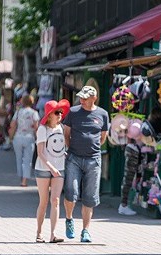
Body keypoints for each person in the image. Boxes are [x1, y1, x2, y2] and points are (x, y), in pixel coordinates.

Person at [62, 85, 110, 243]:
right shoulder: (74, 112)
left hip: (93, 159)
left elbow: (103, 138)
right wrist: (73, 149)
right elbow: (66, 134)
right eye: (81, 97)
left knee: (90, 196)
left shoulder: (103, 114)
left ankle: (85, 230)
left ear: (94, 98)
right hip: (74, 158)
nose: (81, 100)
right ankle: (69, 219)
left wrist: (92, 148)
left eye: (85, 98)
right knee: (71, 192)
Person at [34, 99, 70, 243]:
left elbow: (62, 146)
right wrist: (51, 167)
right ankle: (39, 232)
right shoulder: (43, 129)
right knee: (43, 202)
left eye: (61, 112)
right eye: (56, 112)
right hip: (43, 169)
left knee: (55, 200)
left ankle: (53, 234)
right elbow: (40, 152)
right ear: (49, 115)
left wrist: (65, 154)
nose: (60, 115)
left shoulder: (61, 128)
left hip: (59, 168)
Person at [10, 94, 39, 187]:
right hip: (29, 137)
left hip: (18, 137)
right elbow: (36, 127)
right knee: (28, 159)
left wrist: (11, 135)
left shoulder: (18, 112)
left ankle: (21, 176)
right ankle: (24, 180)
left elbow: (12, 124)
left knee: (19, 158)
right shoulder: (34, 113)